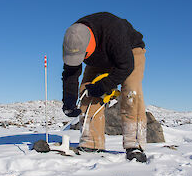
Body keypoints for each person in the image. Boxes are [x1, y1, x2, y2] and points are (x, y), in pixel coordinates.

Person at [62, 12, 147, 163]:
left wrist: (103, 86)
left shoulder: (114, 31)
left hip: (130, 53)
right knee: (86, 91)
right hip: (99, 58)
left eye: (83, 55)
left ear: (90, 43)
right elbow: (71, 72)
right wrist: (69, 100)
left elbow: (126, 66)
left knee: (131, 92)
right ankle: (91, 143)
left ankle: (134, 144)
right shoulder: (73, 38)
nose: (81, 60)